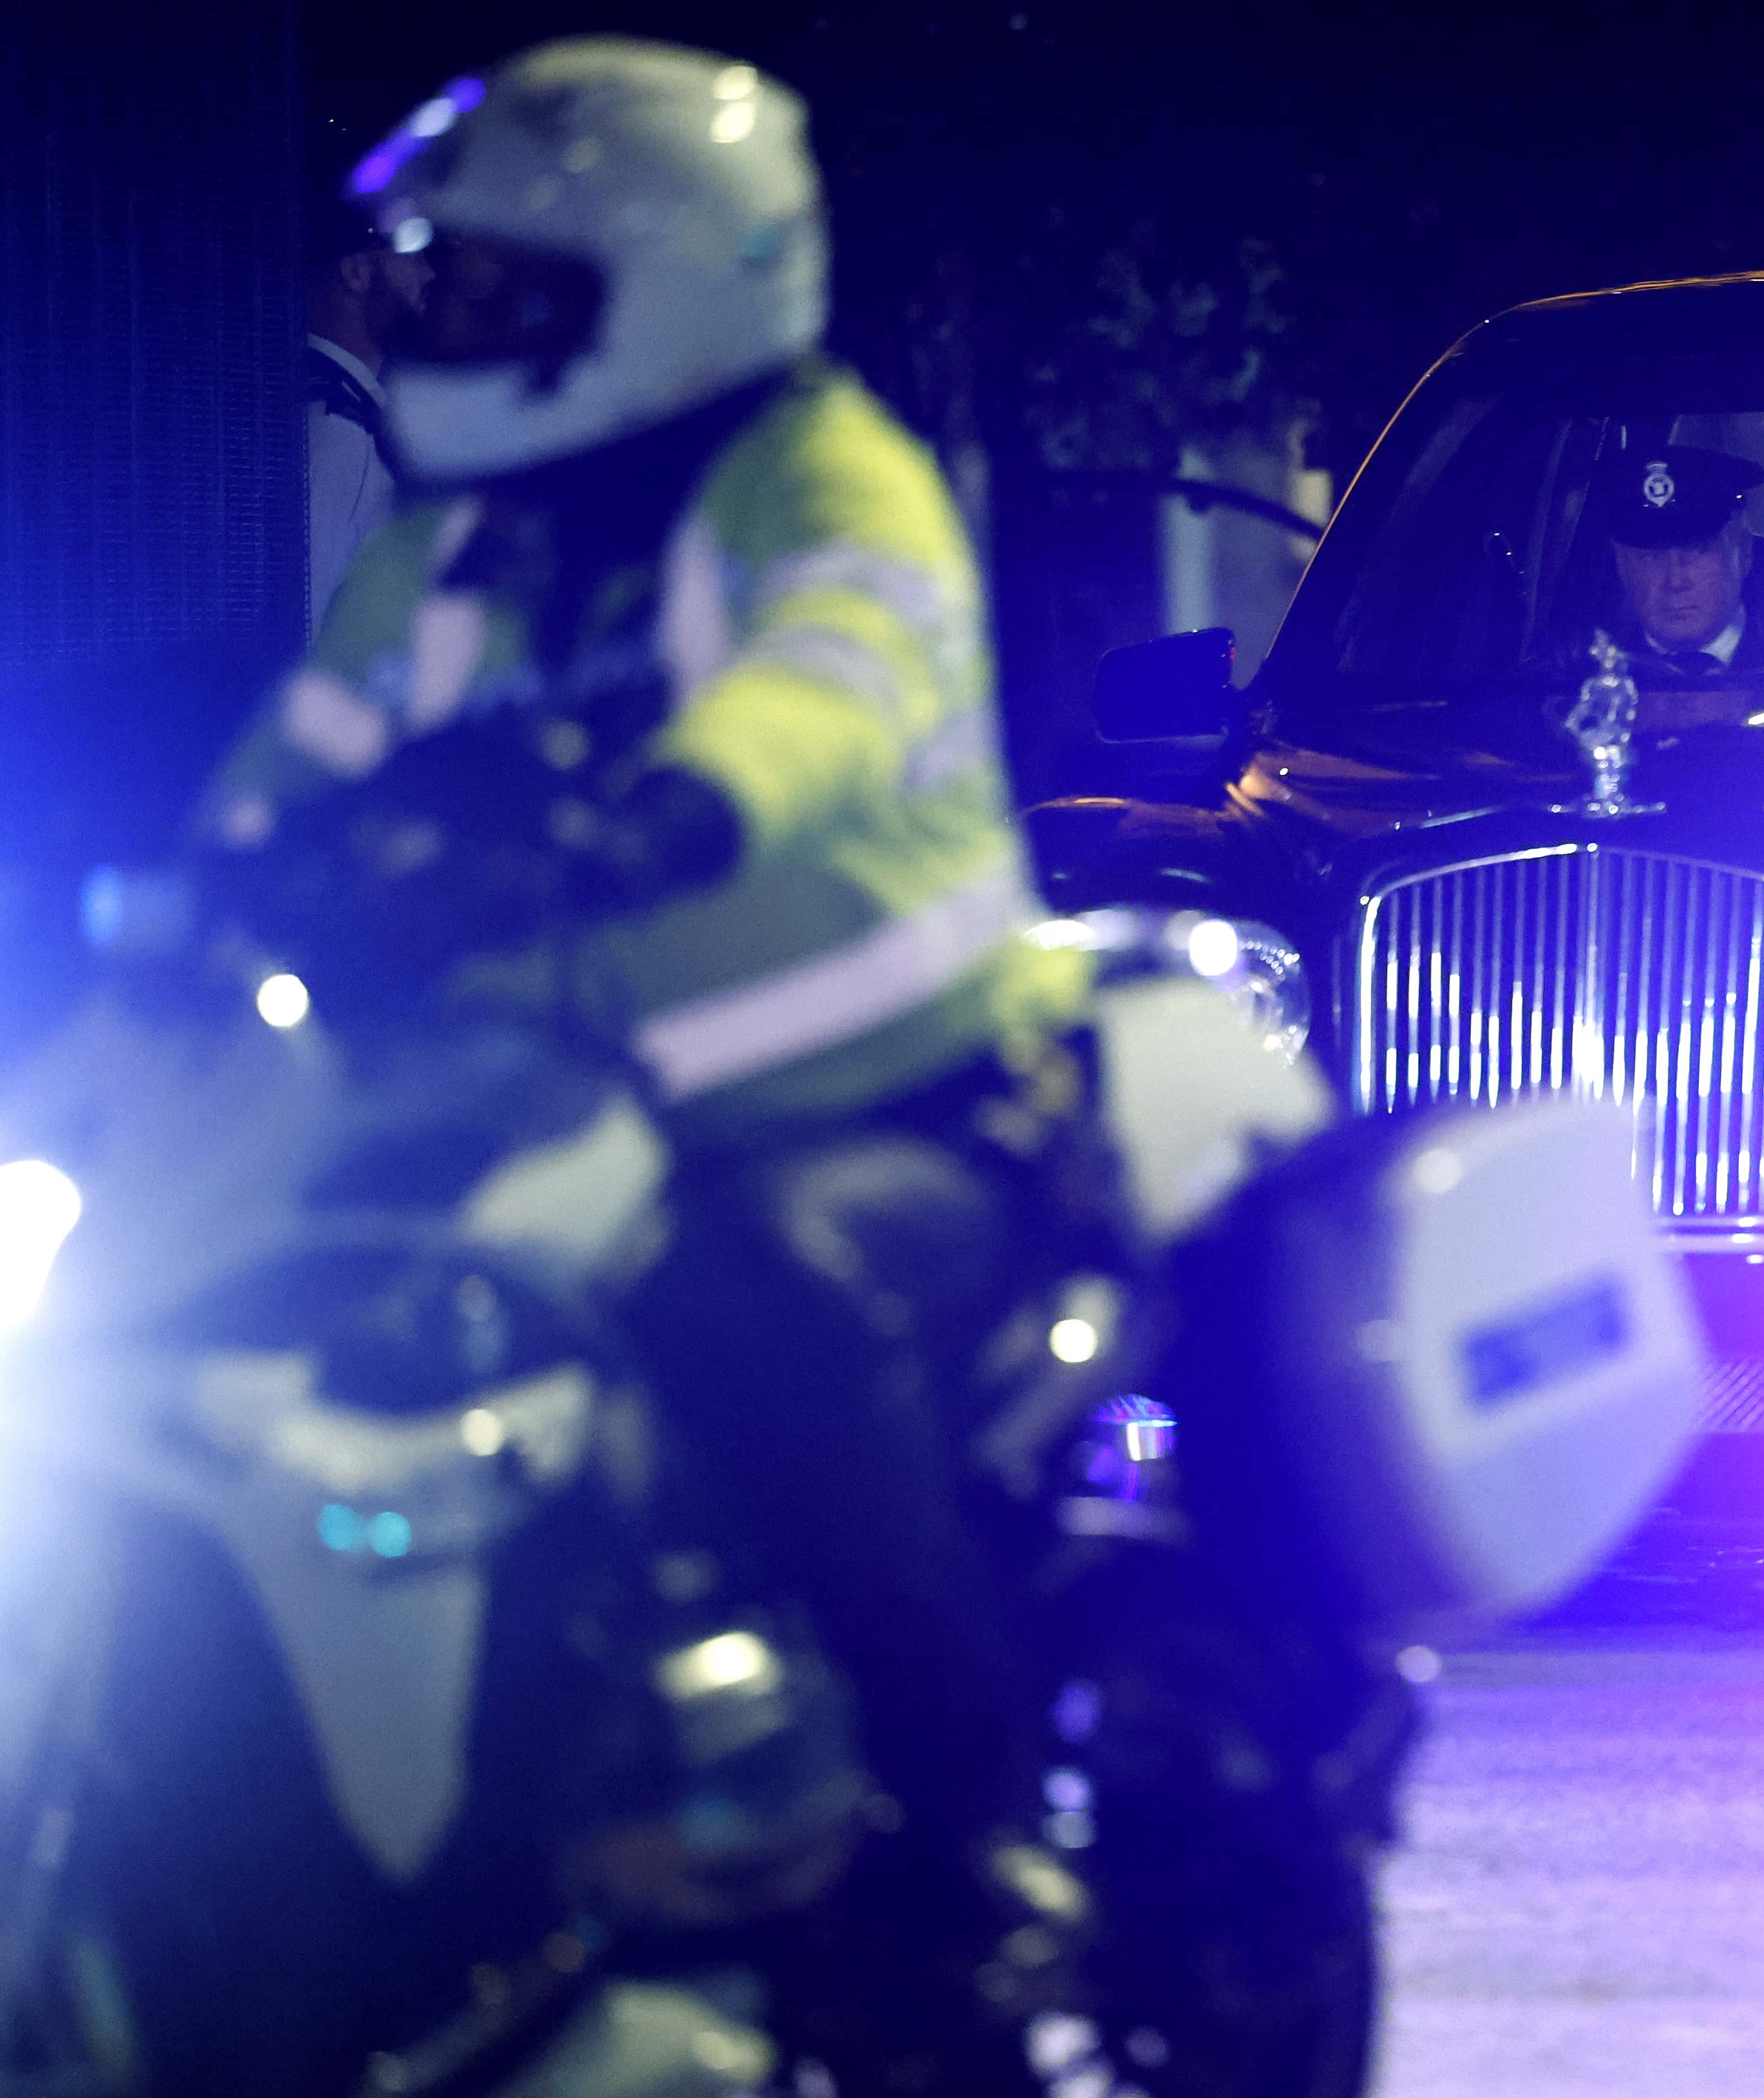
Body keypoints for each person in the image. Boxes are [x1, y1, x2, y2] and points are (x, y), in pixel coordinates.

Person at [202, 39, 1113, 2080]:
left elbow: (832, 675)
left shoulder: (823, 478)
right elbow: (303, 752)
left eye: (500, 292)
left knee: (750, 1306)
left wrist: (683, 802)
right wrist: (194, 891)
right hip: (568, 1119)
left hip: (896, 1112)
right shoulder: (457, 547)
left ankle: (959, 1846)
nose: (449, 328)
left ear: (670, 291)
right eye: (439, 286)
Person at [302, 198, 430, 627]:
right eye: (411, 259)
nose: (427, 276)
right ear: (356, 271)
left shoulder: (343, 409)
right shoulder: (339, 429)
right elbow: (310, 617)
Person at [1594, 443, 1764, 672]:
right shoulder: (1583, 688)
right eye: (1651, 558)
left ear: (1745, 554)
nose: (1676, 582)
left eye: (1699, 551)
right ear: (1622, 565)